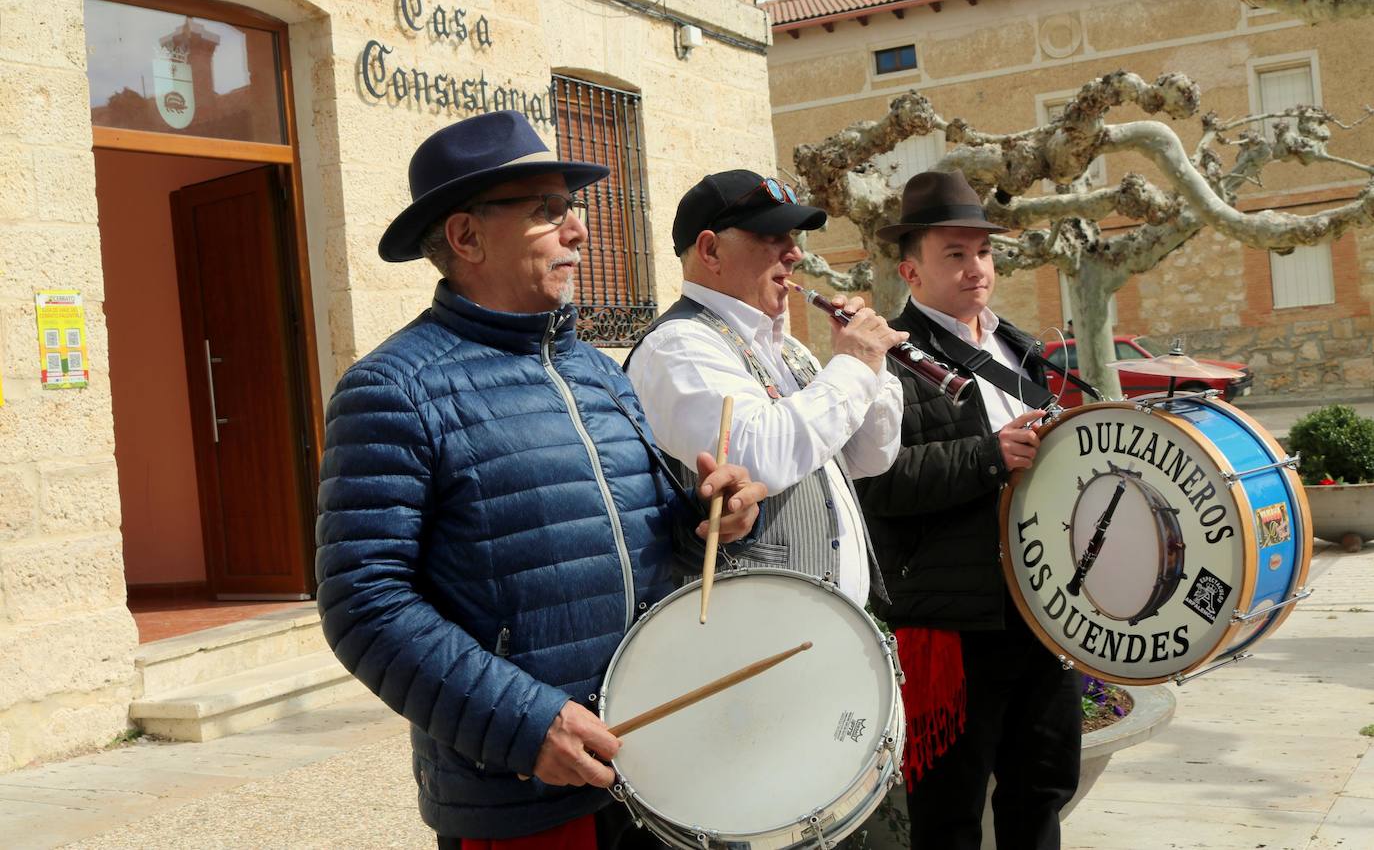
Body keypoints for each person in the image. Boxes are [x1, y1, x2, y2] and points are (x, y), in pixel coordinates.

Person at [314, 112, 766, 849]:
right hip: (524, 791)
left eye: (571, 207)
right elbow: (363, 602)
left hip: (658, 763)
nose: (579, 230)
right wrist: (526, 726)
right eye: (546, 212)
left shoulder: (597, 372)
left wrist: (709, 518)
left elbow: (630, 535)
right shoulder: (394, 389)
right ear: (465, 238)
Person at [856, 171, 1081, 850]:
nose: (975, 267)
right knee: (950, 815)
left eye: (981, 252)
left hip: (1040, 610)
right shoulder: (886, 357)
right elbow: (880, 486)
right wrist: (989, 455)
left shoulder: (1018, 348)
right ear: (910, 270)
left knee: (1042, 791)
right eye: (953, 253)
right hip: (955, 626)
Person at [624, 170, 904, 605]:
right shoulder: (678, 344)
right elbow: (759, 457)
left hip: (827, 627)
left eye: (793, 237)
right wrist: (853, 364)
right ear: (710, 250)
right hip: (751, 633)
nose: (794, 254)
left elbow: (870, 456)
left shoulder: (788, 350)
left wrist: (875, 368)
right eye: (772, 235)